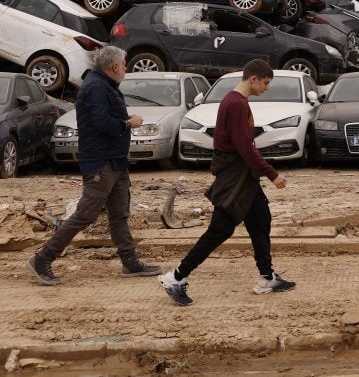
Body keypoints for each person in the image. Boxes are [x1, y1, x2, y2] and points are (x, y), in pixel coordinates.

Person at [159, 59, 294, 306]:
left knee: (261, 220)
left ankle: (267, 277)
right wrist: (272, 174)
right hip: (235, 177)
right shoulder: (237, 104)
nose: (266, 88)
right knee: (220, 230)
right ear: (253, 79)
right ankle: (176, 277)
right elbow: (245, 147)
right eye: (265, 83)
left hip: (242, 176)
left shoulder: (234, 101)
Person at [26, 46, 160, 285]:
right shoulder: (97, 87)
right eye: (125, 64)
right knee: (85, 215)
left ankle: (130, 262)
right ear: (115, 66)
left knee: (120, 214)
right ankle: (42, 258)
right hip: (101, 163)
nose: (126, 68)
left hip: (115, 162)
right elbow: (101, 122)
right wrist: (128, 124)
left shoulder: (106, 85)